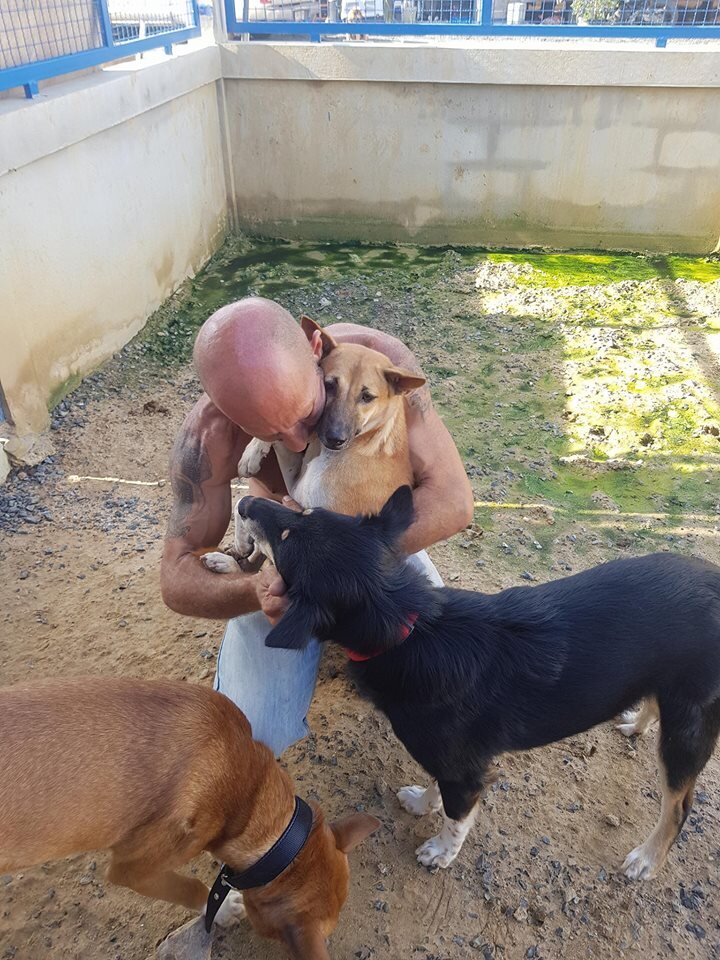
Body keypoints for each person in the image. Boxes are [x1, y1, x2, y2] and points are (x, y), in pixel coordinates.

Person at [161, 296, 473, 755]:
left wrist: (342, 566)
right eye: (267, 433)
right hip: (275, 564)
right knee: (254, 739)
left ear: (315, 350)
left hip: (368, 539)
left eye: (306, 413)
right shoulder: (207, 434)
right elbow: (176, 578)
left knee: (441, 662)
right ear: (226, 414)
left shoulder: (376, 360)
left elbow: (452, 503)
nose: (299, 440)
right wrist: (255, 590)